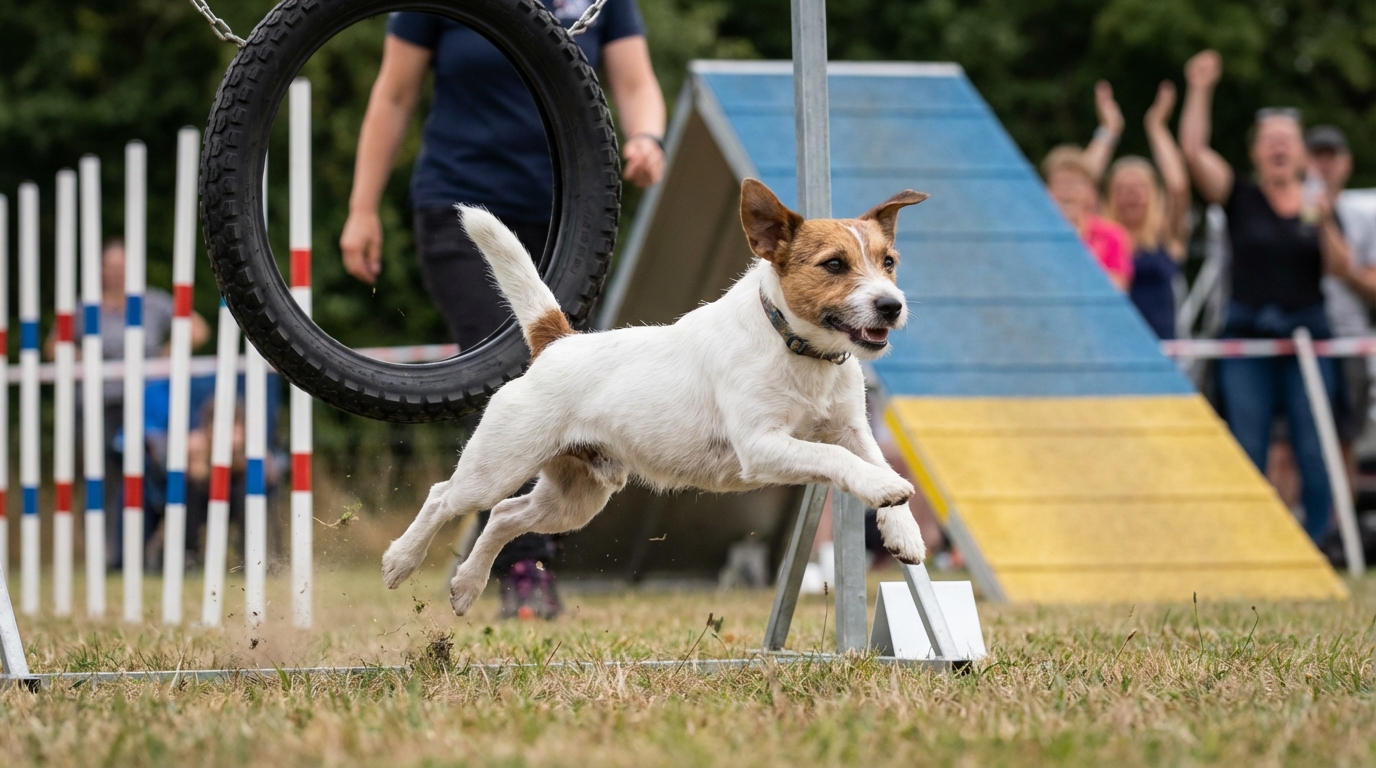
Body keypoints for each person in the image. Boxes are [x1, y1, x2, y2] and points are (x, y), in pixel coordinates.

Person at [341, 1, 666, 618]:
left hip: (574, 217)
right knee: (508, 368)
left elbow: (634, 82)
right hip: (460, 207)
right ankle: (524, 565)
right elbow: (394, 93)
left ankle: (519, 536)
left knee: (572, 382)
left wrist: (647, 137)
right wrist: (362, 208)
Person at [1179, 49, 1352, 543]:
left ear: (1301, 154)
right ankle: (1248, 542)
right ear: (1255, 152)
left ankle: (1319, 543)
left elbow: (1340, 270)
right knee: (1247, 445)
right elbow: (1194, 152)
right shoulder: (1240, 197)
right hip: (1248, 338)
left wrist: (1325, 219)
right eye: (1270, 140)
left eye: (1287, 140)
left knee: (1314, 447)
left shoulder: (1318, 205)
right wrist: (1200, 88)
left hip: (1307, 336)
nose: (1278, 147)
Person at [52, 237, 211, 567]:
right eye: (110, 267)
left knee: (149, 473)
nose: (116, 273)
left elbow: (198, 329)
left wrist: (168, 352)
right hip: (96, 406)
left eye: (121, 267)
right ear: (100, 270)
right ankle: (105, 552)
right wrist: (81, 358)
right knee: (100, 477)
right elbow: (53, 346)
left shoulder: (152, 302)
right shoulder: (85, 308)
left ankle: (145, 548)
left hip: (145, 405)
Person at [1083, 80, 1191, 339]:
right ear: (1109, 197)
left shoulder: (1166, 235)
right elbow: (1081, 184)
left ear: (1153, 196)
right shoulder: (1098, 235)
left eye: (1139, 188)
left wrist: (1157, 126)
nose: (1130, 195)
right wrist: (1109, 130)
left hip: (1159, 348)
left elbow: (1177, 187)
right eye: (1121, 189)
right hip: (1106, 343)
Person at [1309, 125, 1376, 466]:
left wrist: (1344, 265)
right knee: (1291, 445)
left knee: (1344, 444)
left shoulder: (1364, 216)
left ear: (1347, 163)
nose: (1325, 165)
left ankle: (1342, 504)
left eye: (1331, 157)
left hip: (1348, 338)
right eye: (1316, 156)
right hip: (1299, 338)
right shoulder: (1285, 212)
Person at [1042, 144, 1133, 290]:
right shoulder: (1036, 234)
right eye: (1059, 183)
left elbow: (1117, 288)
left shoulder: (1111, 235)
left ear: (1089, 191)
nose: (1066, 191)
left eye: (1074, 184)